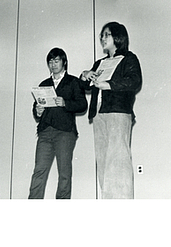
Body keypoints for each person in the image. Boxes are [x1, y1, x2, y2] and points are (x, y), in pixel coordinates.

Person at [80, 22, 142, 199]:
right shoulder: (100, 63)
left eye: (106, 34)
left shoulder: (129, 58)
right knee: (104, 162)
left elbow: (134, 81)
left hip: (118, 112)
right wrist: (85, 75)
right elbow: (85, 86)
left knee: (119, 160)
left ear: (118, 37)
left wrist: (108, 85)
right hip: (99, 114)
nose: (102, 38)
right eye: (101, 35)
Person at [28, 47, 87, 199]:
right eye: (50, 61)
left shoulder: (73, 81)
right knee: (39, 170)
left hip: (65, 131)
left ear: (64, 62)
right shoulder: (44, 83)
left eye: (56, 60)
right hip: (45, 131)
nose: (53, 64)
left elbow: (82, 105)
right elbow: (36, 110)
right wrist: (38, 111)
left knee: (64, 172)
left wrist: (65, 103)